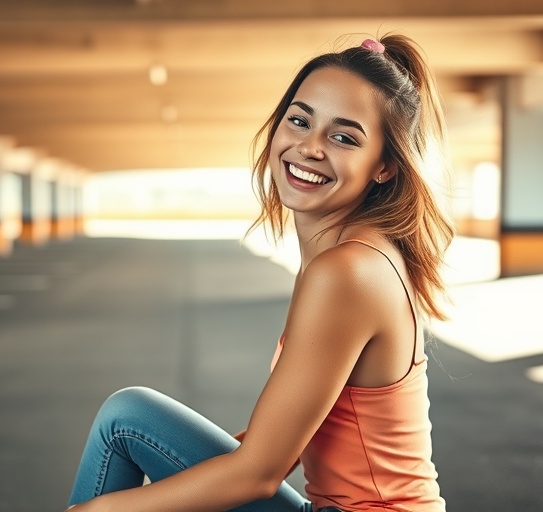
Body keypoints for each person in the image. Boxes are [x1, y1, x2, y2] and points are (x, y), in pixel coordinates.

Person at [65, 33, 454, 512]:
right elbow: (282, 438)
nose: (309, 147)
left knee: (123, 435)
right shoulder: (350, 256)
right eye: (299, 120)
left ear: (385, 167)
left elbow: (258, 475)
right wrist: (190, 474)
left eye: (343, 137)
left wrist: (94, 511)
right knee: (129, 418)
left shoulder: (348, 271)